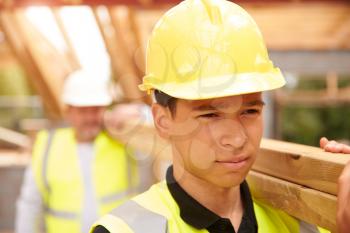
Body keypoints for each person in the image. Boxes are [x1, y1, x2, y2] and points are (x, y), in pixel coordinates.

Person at [90, 0, 349, 232]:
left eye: (249, 111)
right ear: (162, 121)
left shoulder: (306, 221)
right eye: (210, 115)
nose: (236, 139)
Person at [15, 69, 150, 233]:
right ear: (68, 111)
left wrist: (140, 111)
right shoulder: (48, 145)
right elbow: (31, 204)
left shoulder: (122, 140)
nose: (89, 117)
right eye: (83, 110)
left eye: (95, 109)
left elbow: (163, 128)